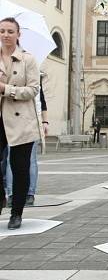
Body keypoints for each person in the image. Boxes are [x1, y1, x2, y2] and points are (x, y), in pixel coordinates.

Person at [0, 17, 41, 229]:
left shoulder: (28, 59)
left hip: (20, 121)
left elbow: (34, 90)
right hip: (0, 120)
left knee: (20, 168)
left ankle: (16, 213)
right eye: (2, 31)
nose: (6, 35)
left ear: (18, 35)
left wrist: (6, 90)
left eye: (10, 31)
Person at [2, 77, 48, 206]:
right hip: (19, 120)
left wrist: (44, 121)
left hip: (28, 121)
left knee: (27, 159)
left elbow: (41, 100)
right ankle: (18, 194)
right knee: (16, 159)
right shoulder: (29, 73)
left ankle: (24, 193)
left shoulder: (29, 74)